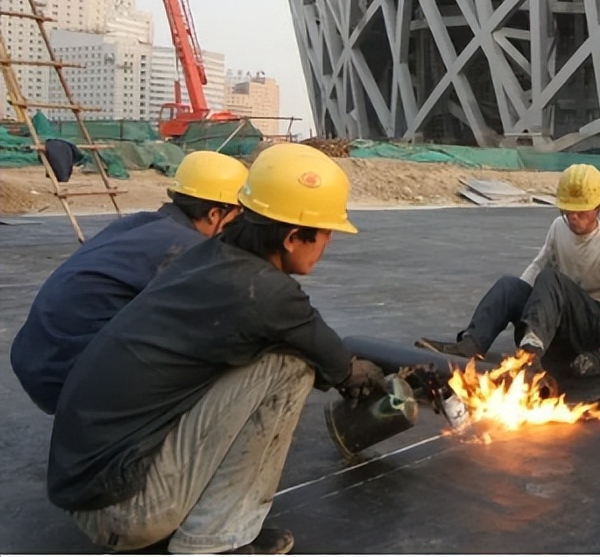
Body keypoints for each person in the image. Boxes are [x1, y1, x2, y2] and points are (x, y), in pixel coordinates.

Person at [46, 143, 386, 555]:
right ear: (294, 237)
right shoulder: (267, 292)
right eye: (327, 231)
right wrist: (367, 376)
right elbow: (337, 364)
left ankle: (192, 519)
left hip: (86, 491)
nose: (329, 242)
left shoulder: (208, 254)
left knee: (256, 354)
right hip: (125, 510)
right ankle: (218, 539)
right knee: (291, 367)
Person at [10, 150, 249, 414]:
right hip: (66, 379)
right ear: (216, 214)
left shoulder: (141, 223)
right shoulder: (186, 247)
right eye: (238, 217)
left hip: (36, 360)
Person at [418, 163, 600, 379]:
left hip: (591, 333)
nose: (573, 217)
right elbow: (537, 266)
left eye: (581, 211)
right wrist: (522, 306)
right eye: (568, 209)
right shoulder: (558, 227)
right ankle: (471, 345)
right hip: (559, 330)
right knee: (510, 286)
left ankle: (529, 355)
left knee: (551, 279)